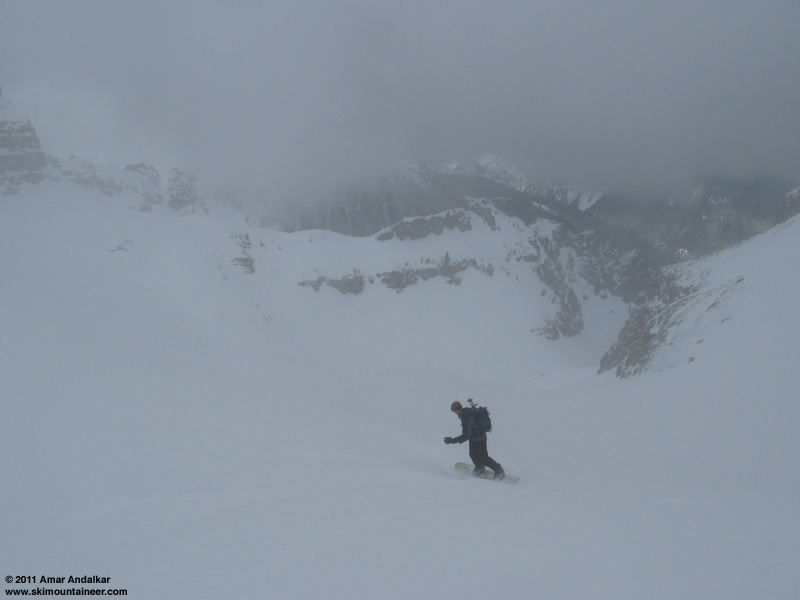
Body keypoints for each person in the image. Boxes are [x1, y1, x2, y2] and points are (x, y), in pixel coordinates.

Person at [444, 400, 505, 479]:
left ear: (456, 410)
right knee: (473, 454)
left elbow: (466, 435)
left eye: (453, 411)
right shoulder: (466, 412)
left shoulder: (467, 417)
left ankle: (498, 470)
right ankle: (479, 467)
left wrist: (453, 440)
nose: (454, 413)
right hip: (475, 437)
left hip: (479, 438)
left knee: (484, 458)